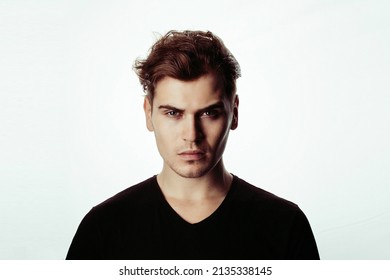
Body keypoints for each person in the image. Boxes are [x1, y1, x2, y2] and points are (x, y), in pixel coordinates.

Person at [66, 30, 320, 260]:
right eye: (173, 113)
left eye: (209, 113)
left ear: (235, 113)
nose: (191, 135)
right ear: (148, 113)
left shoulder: (284, 224)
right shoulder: (103, 228)